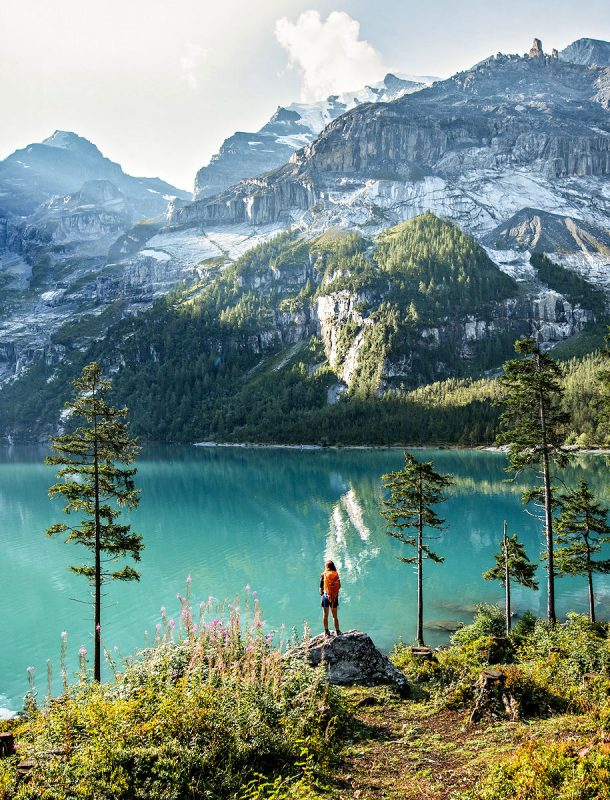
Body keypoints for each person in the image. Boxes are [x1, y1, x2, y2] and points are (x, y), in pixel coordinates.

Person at [320, 560, 342, 637]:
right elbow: (339, 586)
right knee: (335, 616)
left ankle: (326, 631)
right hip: (334, 598)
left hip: (325, 597)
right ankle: (338, 631)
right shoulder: (336, 575)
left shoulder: (324, 575)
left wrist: (323, 594)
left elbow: (321, 589)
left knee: (325, 615)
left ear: (326, 567)